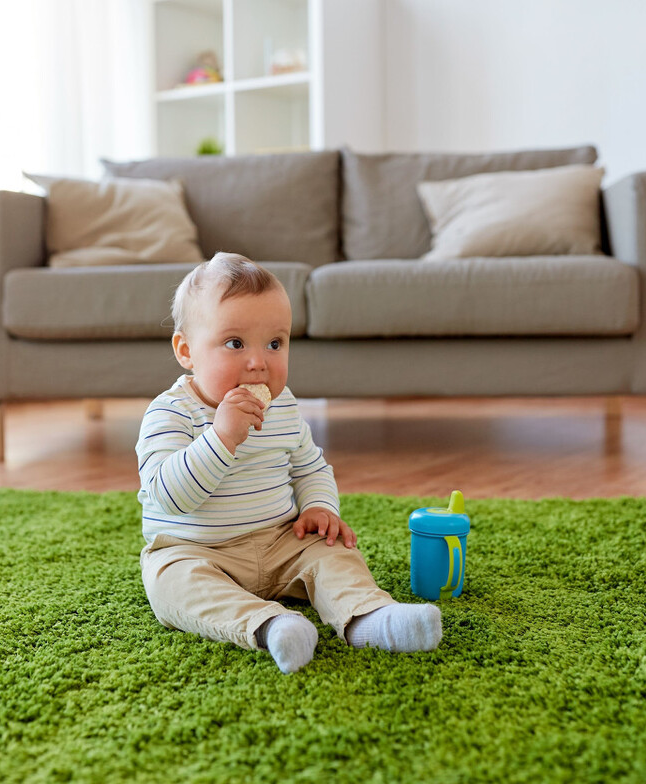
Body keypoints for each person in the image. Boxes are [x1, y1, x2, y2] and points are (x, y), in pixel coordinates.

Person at [136, 252, 442, 673]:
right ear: (186, 350)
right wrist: (221, 437)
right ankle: (271, 625)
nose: (258, 361)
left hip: (280, 539)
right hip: (196, 549)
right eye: (235, 343)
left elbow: (309, 466)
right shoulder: (170, 413)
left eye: (275, 343)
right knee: (172, 586)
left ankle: (369, 617)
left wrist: (319, 508)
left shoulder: (283, 405)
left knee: (333, 553)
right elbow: (168, 496)